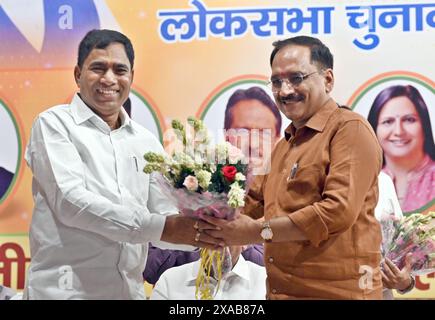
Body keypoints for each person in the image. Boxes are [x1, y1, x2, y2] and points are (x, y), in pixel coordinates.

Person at [23, 29, 220, 300]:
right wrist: (164, 227)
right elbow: (70, 203)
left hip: (128, 293)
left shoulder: (146, 140)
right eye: (98, 68)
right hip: (63, 293)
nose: (109, 79)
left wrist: (206, 222)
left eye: (119, 69)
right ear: (78, 74)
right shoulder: (53, 124)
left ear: (131, 77)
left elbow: (162, 216)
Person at [199, 36, 384, 299]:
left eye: (296, 78)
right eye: (276, 81)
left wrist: (255, 231)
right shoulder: (282, 147)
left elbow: (337, 211)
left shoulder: (349, 130)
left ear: (328, 79)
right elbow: (251, 203)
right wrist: (206, 212)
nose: (285, 90)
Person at [143, 87, 279, 284]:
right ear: (226, 137)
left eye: (263, 134)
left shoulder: (289, 196)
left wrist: (245, 238)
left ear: (277, 140)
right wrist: (206, 239)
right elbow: (152, 263)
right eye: (242, 131)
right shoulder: (194, 187)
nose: (251, 143)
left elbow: (288, 262)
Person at [367, 84, 435, 212]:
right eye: (388, 121)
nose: (398, 131)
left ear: (424, 125)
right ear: (374, 129)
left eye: (409, 120)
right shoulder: (366, 181)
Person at [150, 245, 266, 300]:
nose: (220, 242)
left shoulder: (265, 281)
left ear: (245, 241)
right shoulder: (170, 281)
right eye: (213, 231)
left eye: (230, 231)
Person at [375, 172, 415, 299]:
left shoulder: (383, 180)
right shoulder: (321, 176)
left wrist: (405, 282)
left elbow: (398, 245)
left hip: (380, 294)